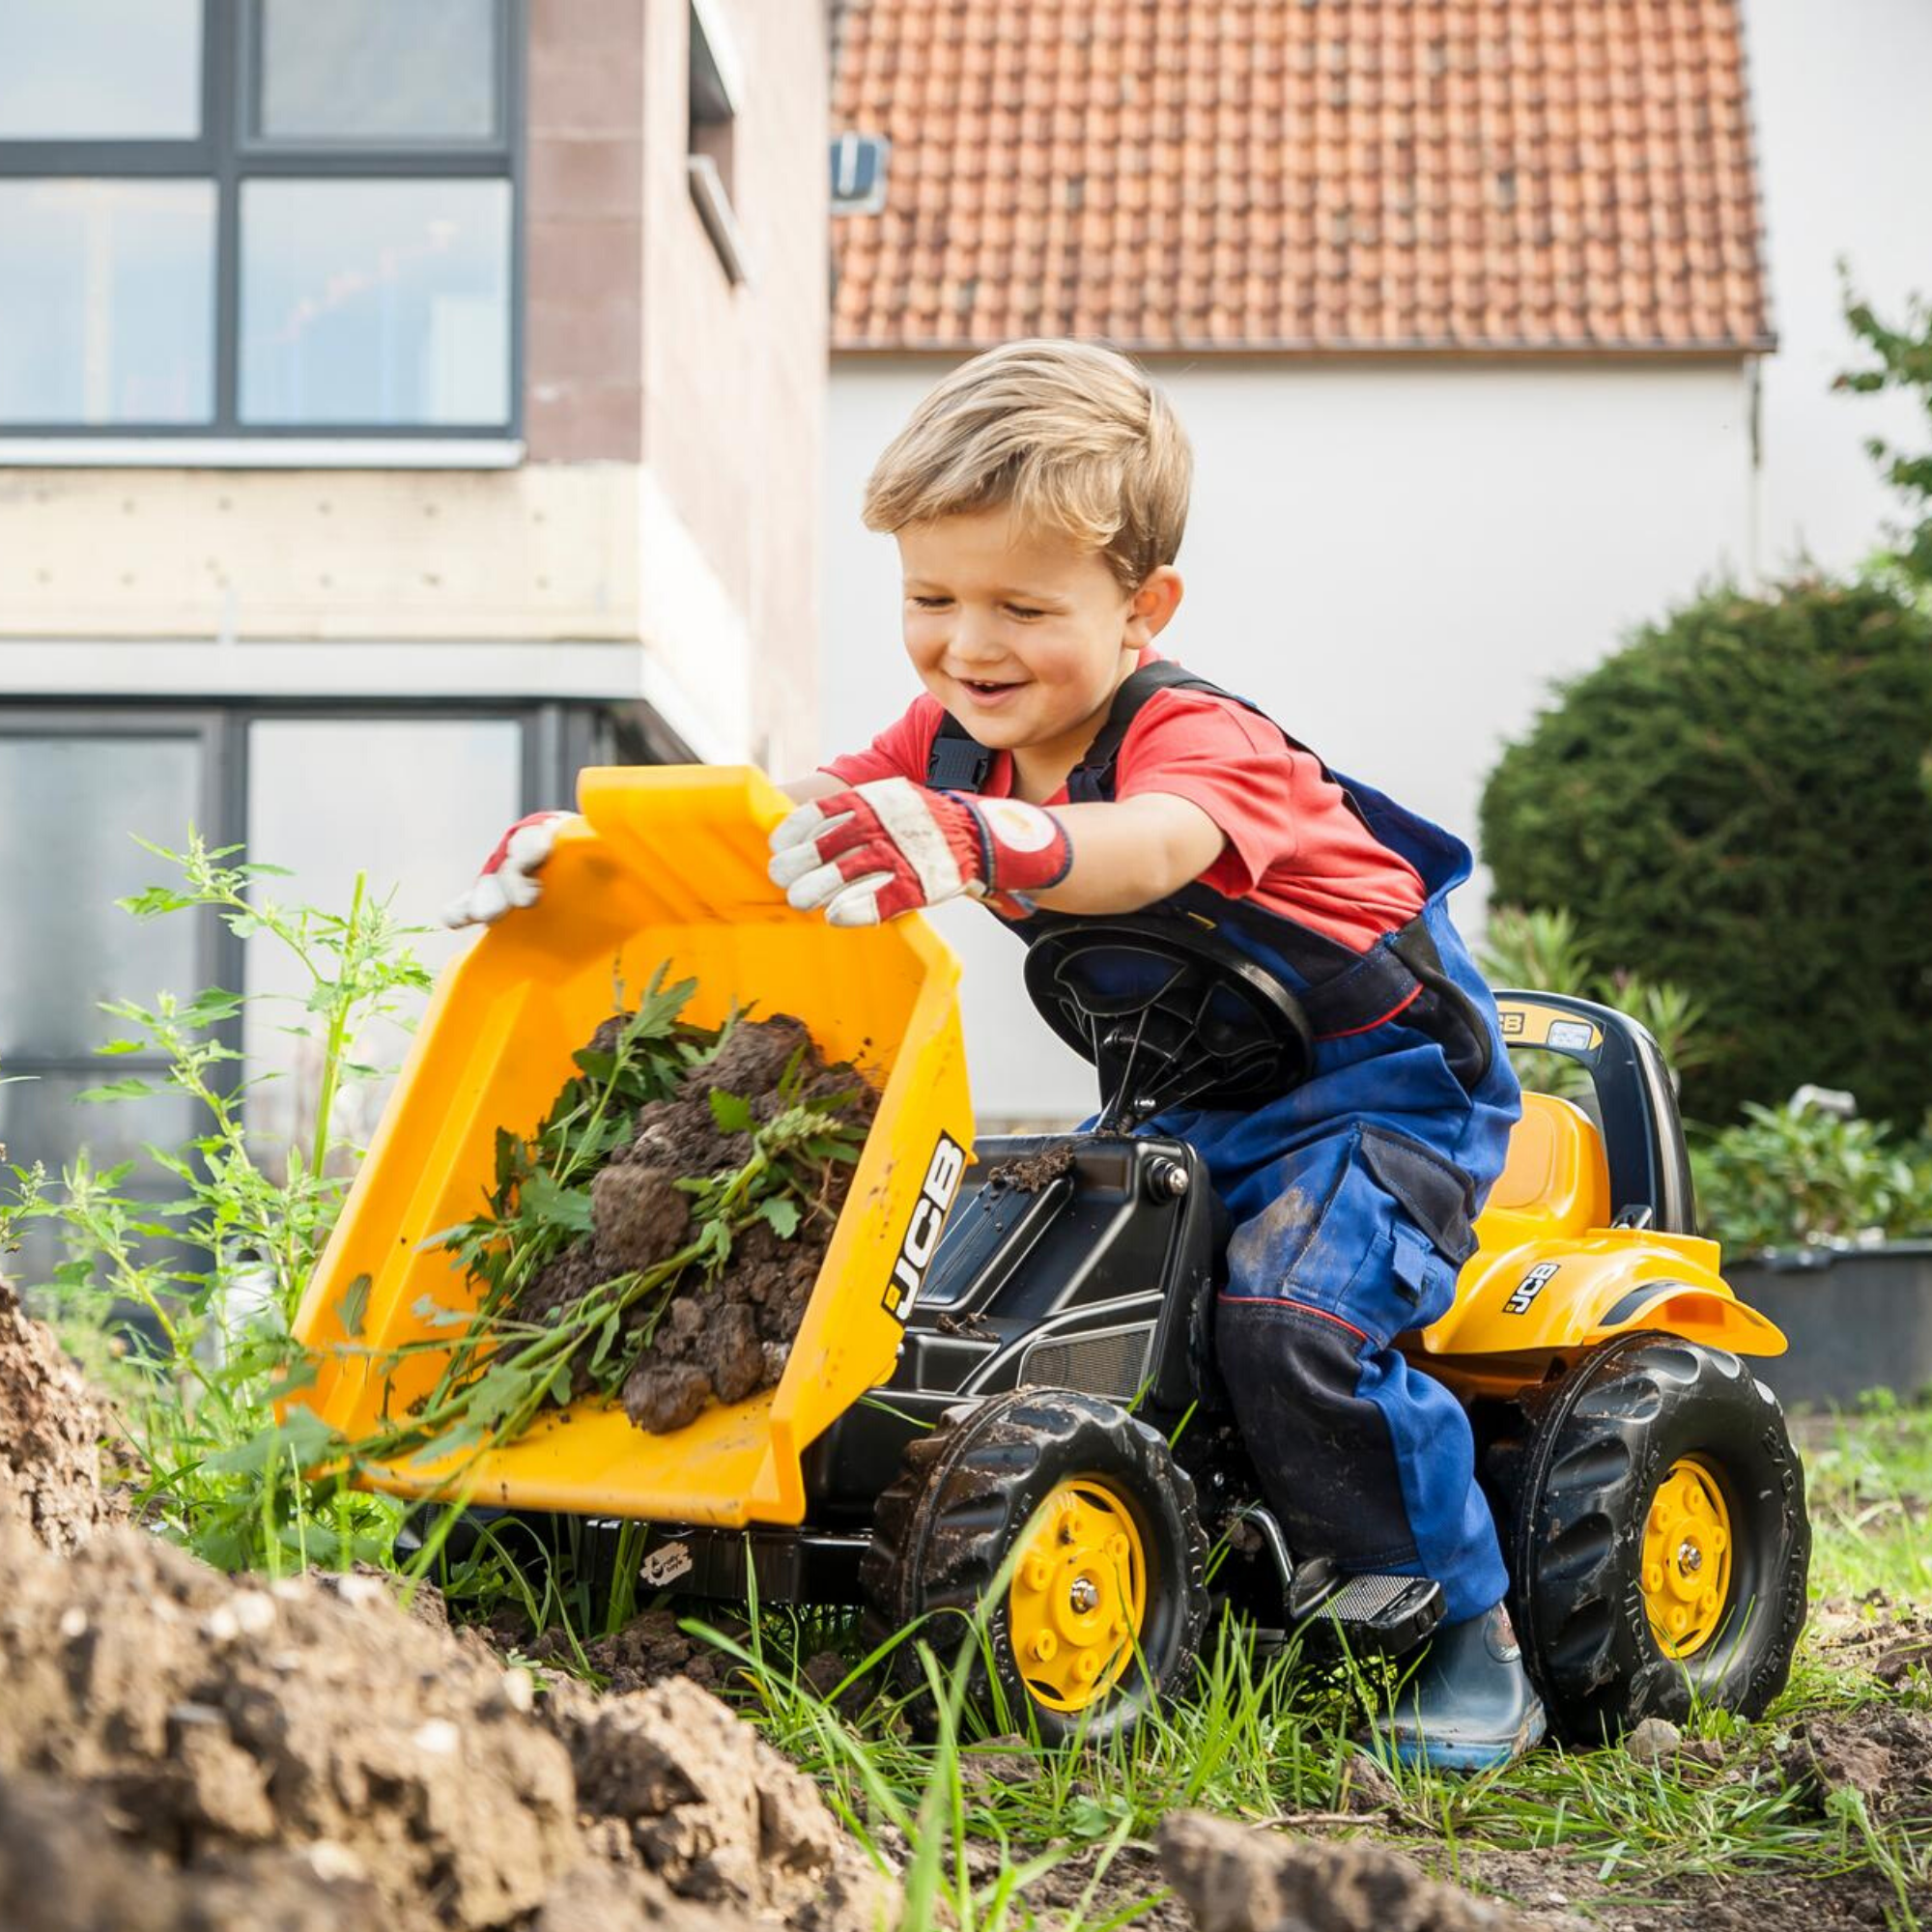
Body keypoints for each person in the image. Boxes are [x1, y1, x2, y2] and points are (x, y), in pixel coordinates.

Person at [444, 338, 1544, 1772]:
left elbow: (1151, 848)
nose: (970, 646)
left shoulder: (1201, 741)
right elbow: (794, 822)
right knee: (1005, 1311)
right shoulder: (950, 737)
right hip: (1189, 1099)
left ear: (1144, 609)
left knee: (1291, 1320)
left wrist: (981, 841)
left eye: (1024, 605)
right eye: (930, 598)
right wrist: (598, 853)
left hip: (1385, 1093)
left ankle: (1472, 1639)